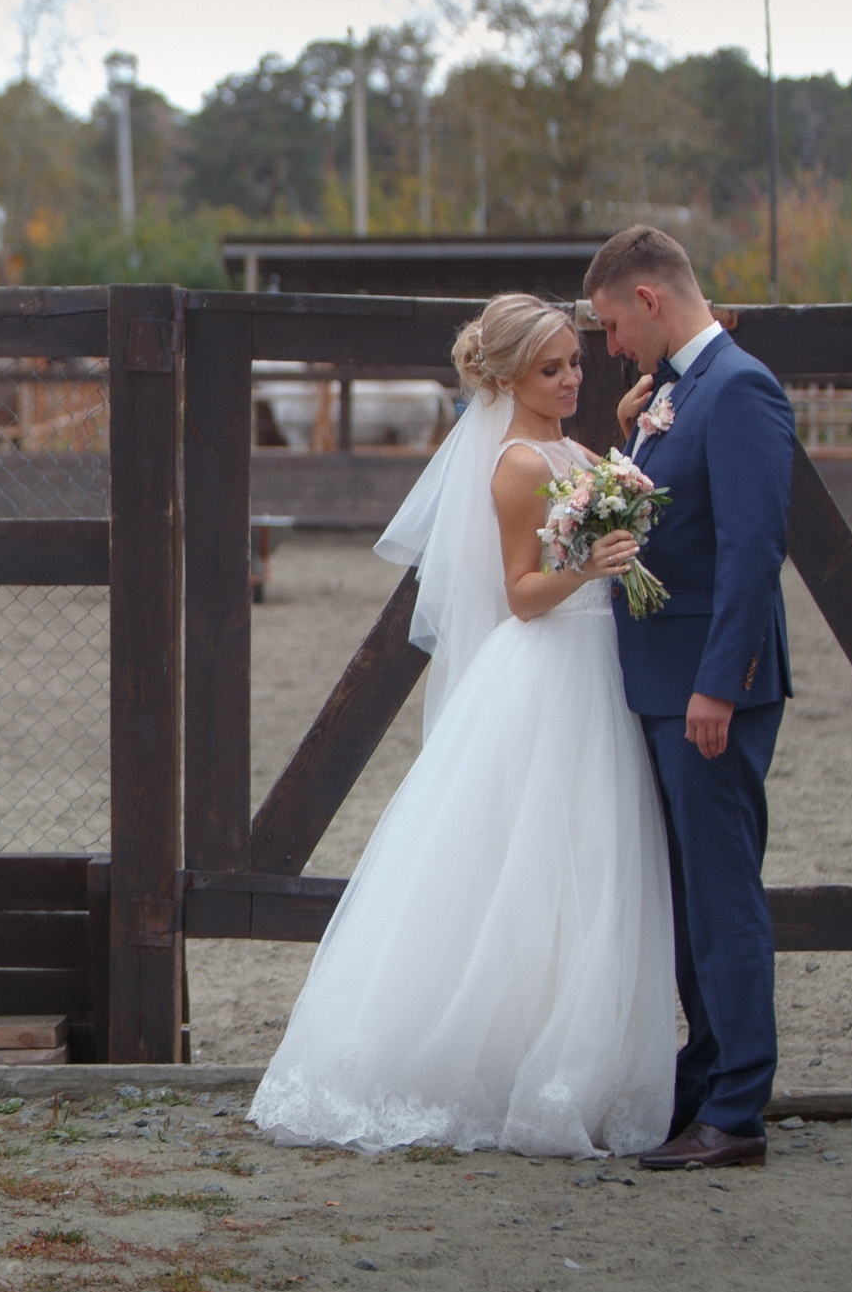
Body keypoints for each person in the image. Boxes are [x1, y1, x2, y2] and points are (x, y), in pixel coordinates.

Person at [248, 293, 676, 1159]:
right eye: (551, 368)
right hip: (551, 663)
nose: (569, 380)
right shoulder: (517, 463)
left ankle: (566, 1052)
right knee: (527, 856)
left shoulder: (566, 444)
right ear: (509, 376)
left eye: (576, 365)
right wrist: (590, 565)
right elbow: (521, 593)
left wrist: (624, 436)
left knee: (585, 855)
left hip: (593, 666)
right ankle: (498, 1058)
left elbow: (594, 489)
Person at [586, 226, 796, 1173]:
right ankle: (707, 1076)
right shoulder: (673, 394)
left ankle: (739, 1109)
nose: (609, 344)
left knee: (721, 896)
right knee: (687, 898)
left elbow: (753, 547)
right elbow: (664, 512)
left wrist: (720, 682)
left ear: (651, 299)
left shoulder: (740, 388)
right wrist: (629, 436)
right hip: (667, 684)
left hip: (710, 690)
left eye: (610, 323)